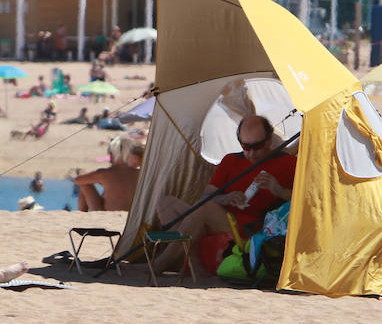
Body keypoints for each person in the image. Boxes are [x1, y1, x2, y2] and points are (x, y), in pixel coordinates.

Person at [151, 114, 296, 269]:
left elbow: (307, 202)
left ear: (268, 141)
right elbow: (207, 195)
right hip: (224, 217)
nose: (252, 154)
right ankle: (193, 264)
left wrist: (279, 191)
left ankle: (161, 264)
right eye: (246, 147)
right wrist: (225, 198)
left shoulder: (288, 163)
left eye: (257, 146)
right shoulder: (231, 160)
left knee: (203, 209)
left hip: (254, 226)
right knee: (166, 203)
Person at [73, 135, 143, 211]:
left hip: (106, 214)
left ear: (111, 154)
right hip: (133, 214)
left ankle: (82, 214)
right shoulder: (139, 173)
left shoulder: (104, 174)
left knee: (84, 184)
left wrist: (100, 181)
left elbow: (78, 180)